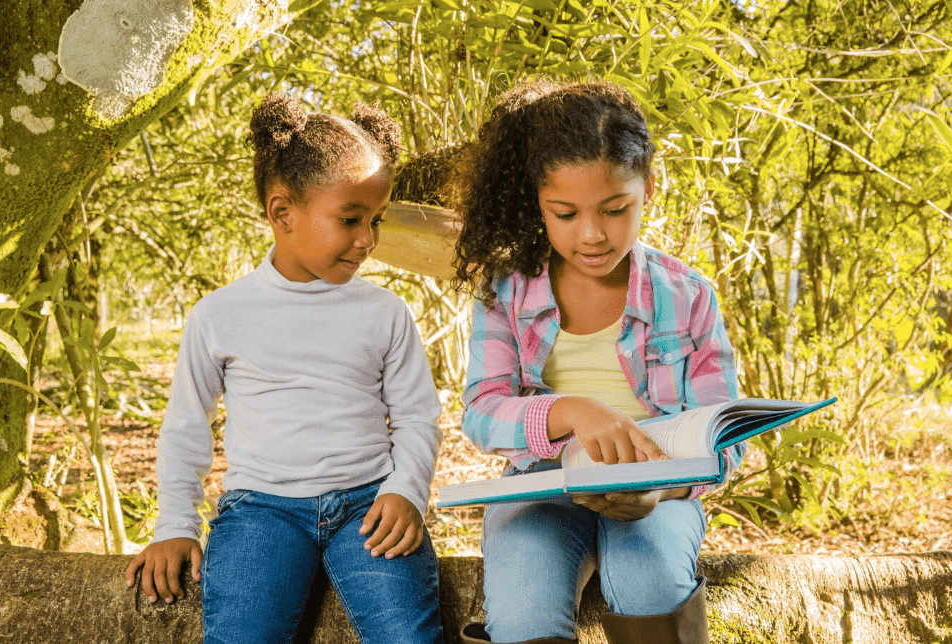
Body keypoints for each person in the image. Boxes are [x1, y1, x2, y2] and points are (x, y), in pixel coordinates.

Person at [126, 92, 445, 644]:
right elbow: (186, 427)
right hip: (260, 514)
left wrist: (407, 492)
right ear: (282, 214)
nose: (368, 240)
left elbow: (418, 416)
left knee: (409, 637)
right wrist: (176, 525)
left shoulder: (385, 313)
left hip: (369, 505)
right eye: (350, 220)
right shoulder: (220, 315)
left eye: (375, 220)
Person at [451, 79, 745, 644]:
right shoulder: (505, 292)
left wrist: (665, 488)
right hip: (539, 488)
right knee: (521, 612)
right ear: (538, 202)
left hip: (658, 493)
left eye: (615, 210)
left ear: (648, 189)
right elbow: (482, 413)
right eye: (564, 214)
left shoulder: (688, 295)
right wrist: (573, 413)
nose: (590, 234)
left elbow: (724, 434)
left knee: (649, 582)